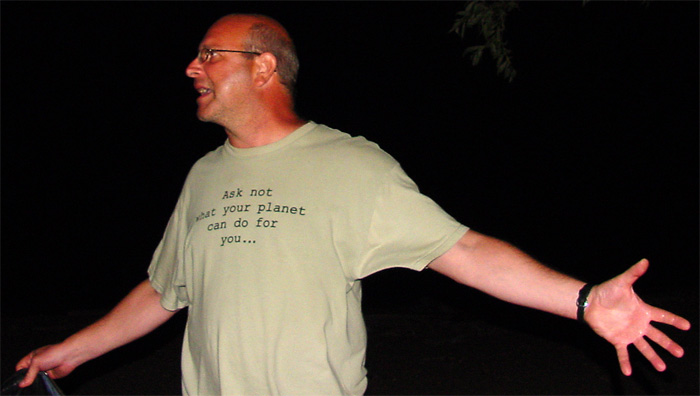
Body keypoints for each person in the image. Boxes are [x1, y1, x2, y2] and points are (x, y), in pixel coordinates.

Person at [16, 13, 691, 396]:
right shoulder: (202, 177)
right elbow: (166, 291)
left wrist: (582, 300)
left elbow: (464, 250)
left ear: (262, 67)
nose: (191, 69)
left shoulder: (350, 165)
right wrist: (75, 348)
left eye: (208, 55)